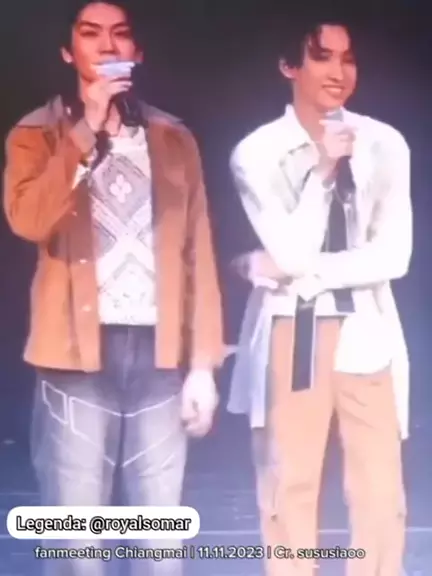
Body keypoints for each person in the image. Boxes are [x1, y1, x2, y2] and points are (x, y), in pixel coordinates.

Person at [3, 1, 223, 574]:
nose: (107, 46)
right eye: (91, 34)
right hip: (75, 361)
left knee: (160, 546)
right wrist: (86, 129)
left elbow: (198, 252)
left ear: (137, 51)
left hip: (158, 359)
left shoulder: (173, 137)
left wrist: (203, 365)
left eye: (120, 35)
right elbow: (28, 220)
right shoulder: (36, 134)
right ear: (67, 51)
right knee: (77, 548)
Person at [228, 15, 411, 576]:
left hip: (364, 328)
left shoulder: (384, 143)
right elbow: (289, 251)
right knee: (290, 485)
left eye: (348, 58)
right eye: (322, 56)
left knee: (380, 493)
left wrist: (301, 272)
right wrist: (325, 169)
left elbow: (394, 256)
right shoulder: (257, 153)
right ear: (290, 65)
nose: (338, 71)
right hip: (292, 329)